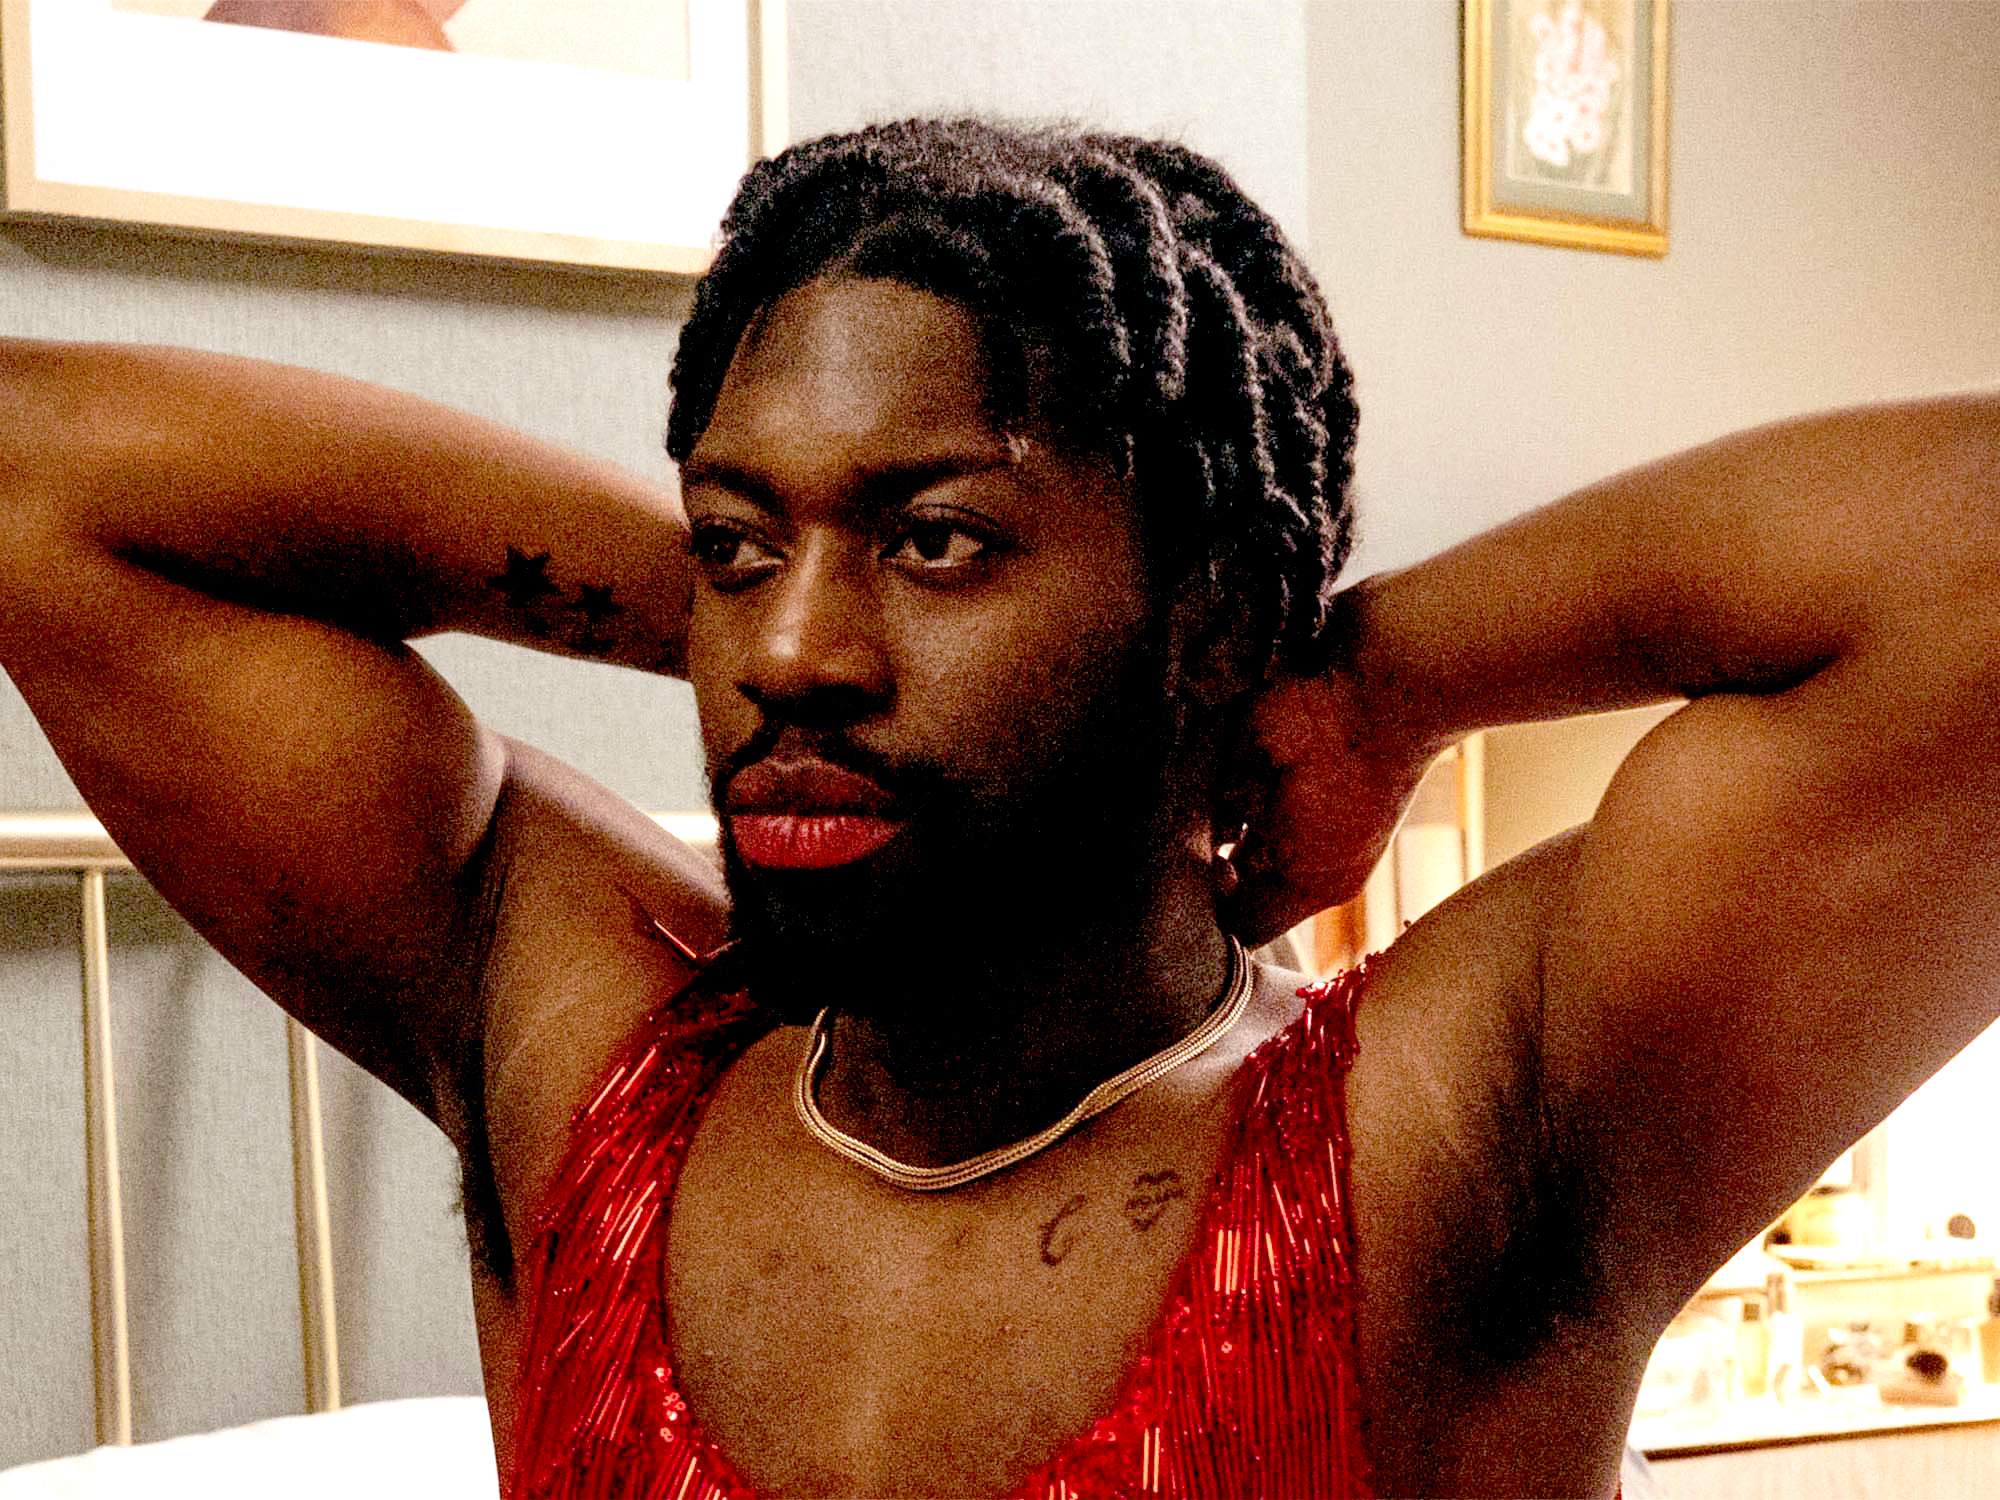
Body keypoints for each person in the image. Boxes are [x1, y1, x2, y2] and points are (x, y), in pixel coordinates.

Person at [2, 118, 1996, 1498]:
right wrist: (752, 582)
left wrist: (1368, 680)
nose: (789, 655)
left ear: (1205, 611)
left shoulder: (1454, 1131)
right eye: (735, 542)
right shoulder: (581, 1055)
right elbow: (39, 472)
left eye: (937, 540)